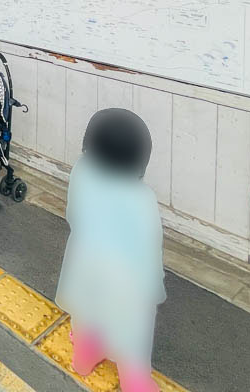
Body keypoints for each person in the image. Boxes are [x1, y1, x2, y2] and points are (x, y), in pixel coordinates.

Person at [56, 109, 165, 392]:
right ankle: (135, 380)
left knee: (85, 310)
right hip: (126, 280)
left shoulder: (81, 171)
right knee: (133, 329)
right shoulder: (141, 198)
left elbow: (73, 214)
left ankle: (85, 356)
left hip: (83, 259)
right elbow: (148, 246)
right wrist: (153, 285)